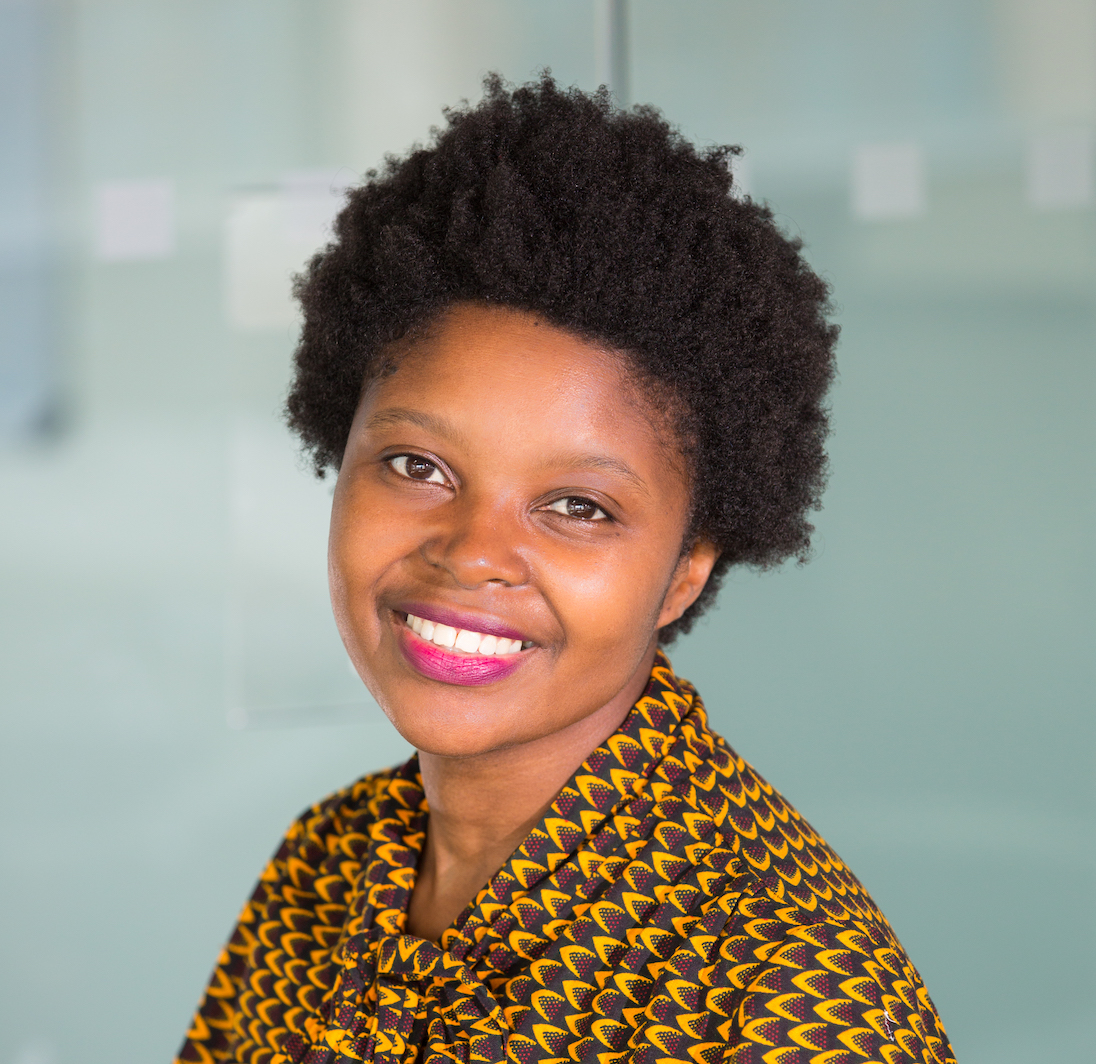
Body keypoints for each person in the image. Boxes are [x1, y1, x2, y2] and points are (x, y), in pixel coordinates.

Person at [177, 75, 954, 1064]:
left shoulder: (787, 996)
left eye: (578, 506)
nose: (471, 551)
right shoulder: (324, 869)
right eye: (416, 466)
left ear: (685, 569)